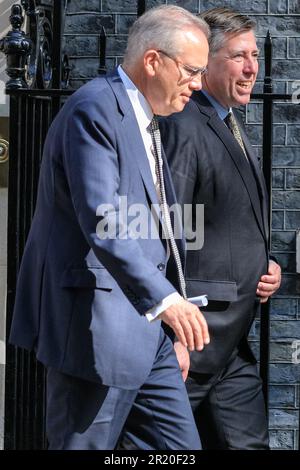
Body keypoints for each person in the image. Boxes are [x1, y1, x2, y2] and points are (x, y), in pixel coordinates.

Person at [9, 5, 211, 450]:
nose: (198, 84)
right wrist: (166, 303)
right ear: (153, 61)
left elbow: (156, 230)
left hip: (148, 335)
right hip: (94, 334)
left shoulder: (147, 118)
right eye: (192, 70)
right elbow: (104, 221)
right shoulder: (94, 109)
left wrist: (169, 323)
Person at [159, 8, 281, 450]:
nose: (252, 68)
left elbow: (225, 221)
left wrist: (264, 265)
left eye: (254, 56)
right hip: (192, 341)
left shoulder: (230, 122)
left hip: (230, 342)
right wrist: (170, 336)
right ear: (205, 61)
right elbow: (166, 231)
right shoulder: (183, 124)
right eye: (238, 56)